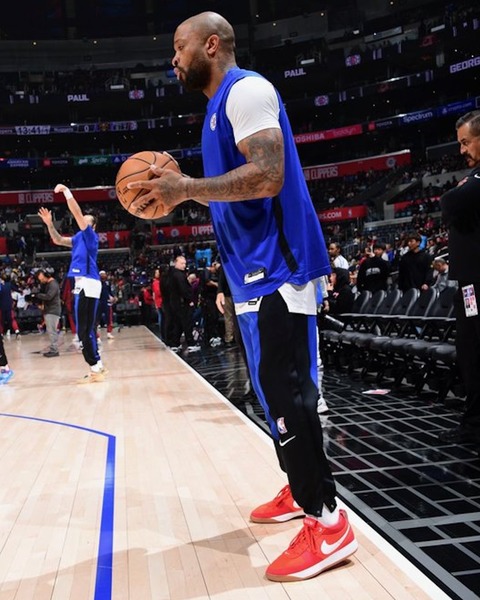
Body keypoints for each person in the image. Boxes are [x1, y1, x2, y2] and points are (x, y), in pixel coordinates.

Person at [127, 11, 357, 582]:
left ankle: (328, 521)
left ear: (211, 44)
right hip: (250, 275)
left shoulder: (246, 91)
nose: (173, 58)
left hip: (281, 268)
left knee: (291, 393)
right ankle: (298, 486)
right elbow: (237, 192)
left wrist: (187, 189)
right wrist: (185, 194)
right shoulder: (214, 110)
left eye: (178, 47)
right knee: (268, 394)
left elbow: (269, 175)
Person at [438, 110, 480, 448]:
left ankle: (473, 427)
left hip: (477, 284)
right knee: (469, 356)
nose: (462, 150)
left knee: (475, 356)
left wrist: (458, 196)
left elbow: (450, 201)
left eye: (466, 142)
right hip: (468, 284)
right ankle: (471, 425)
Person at [38, 184, 106, 383]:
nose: (81, 220)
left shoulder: (90, 236)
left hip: (89, 282)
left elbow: (76, 211)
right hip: (81, 284)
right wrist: (49, 223)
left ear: (93, 227)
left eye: (86, 220)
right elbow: (58, 239)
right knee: (84, 330)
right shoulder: (77, 238)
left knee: (85, 331)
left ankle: (96, 368)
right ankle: (97, 366)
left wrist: (67, 192)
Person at [33, 268, 62, 357]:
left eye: (42, 279)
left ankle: (54, 350)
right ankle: (53, 349)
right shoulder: (48, 284)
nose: (41, 281)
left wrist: (37, 295)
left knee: (52, 331)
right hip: (50, 310)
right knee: (50, 331)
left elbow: (49, 296)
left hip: (53, 310)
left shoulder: (53, 284)